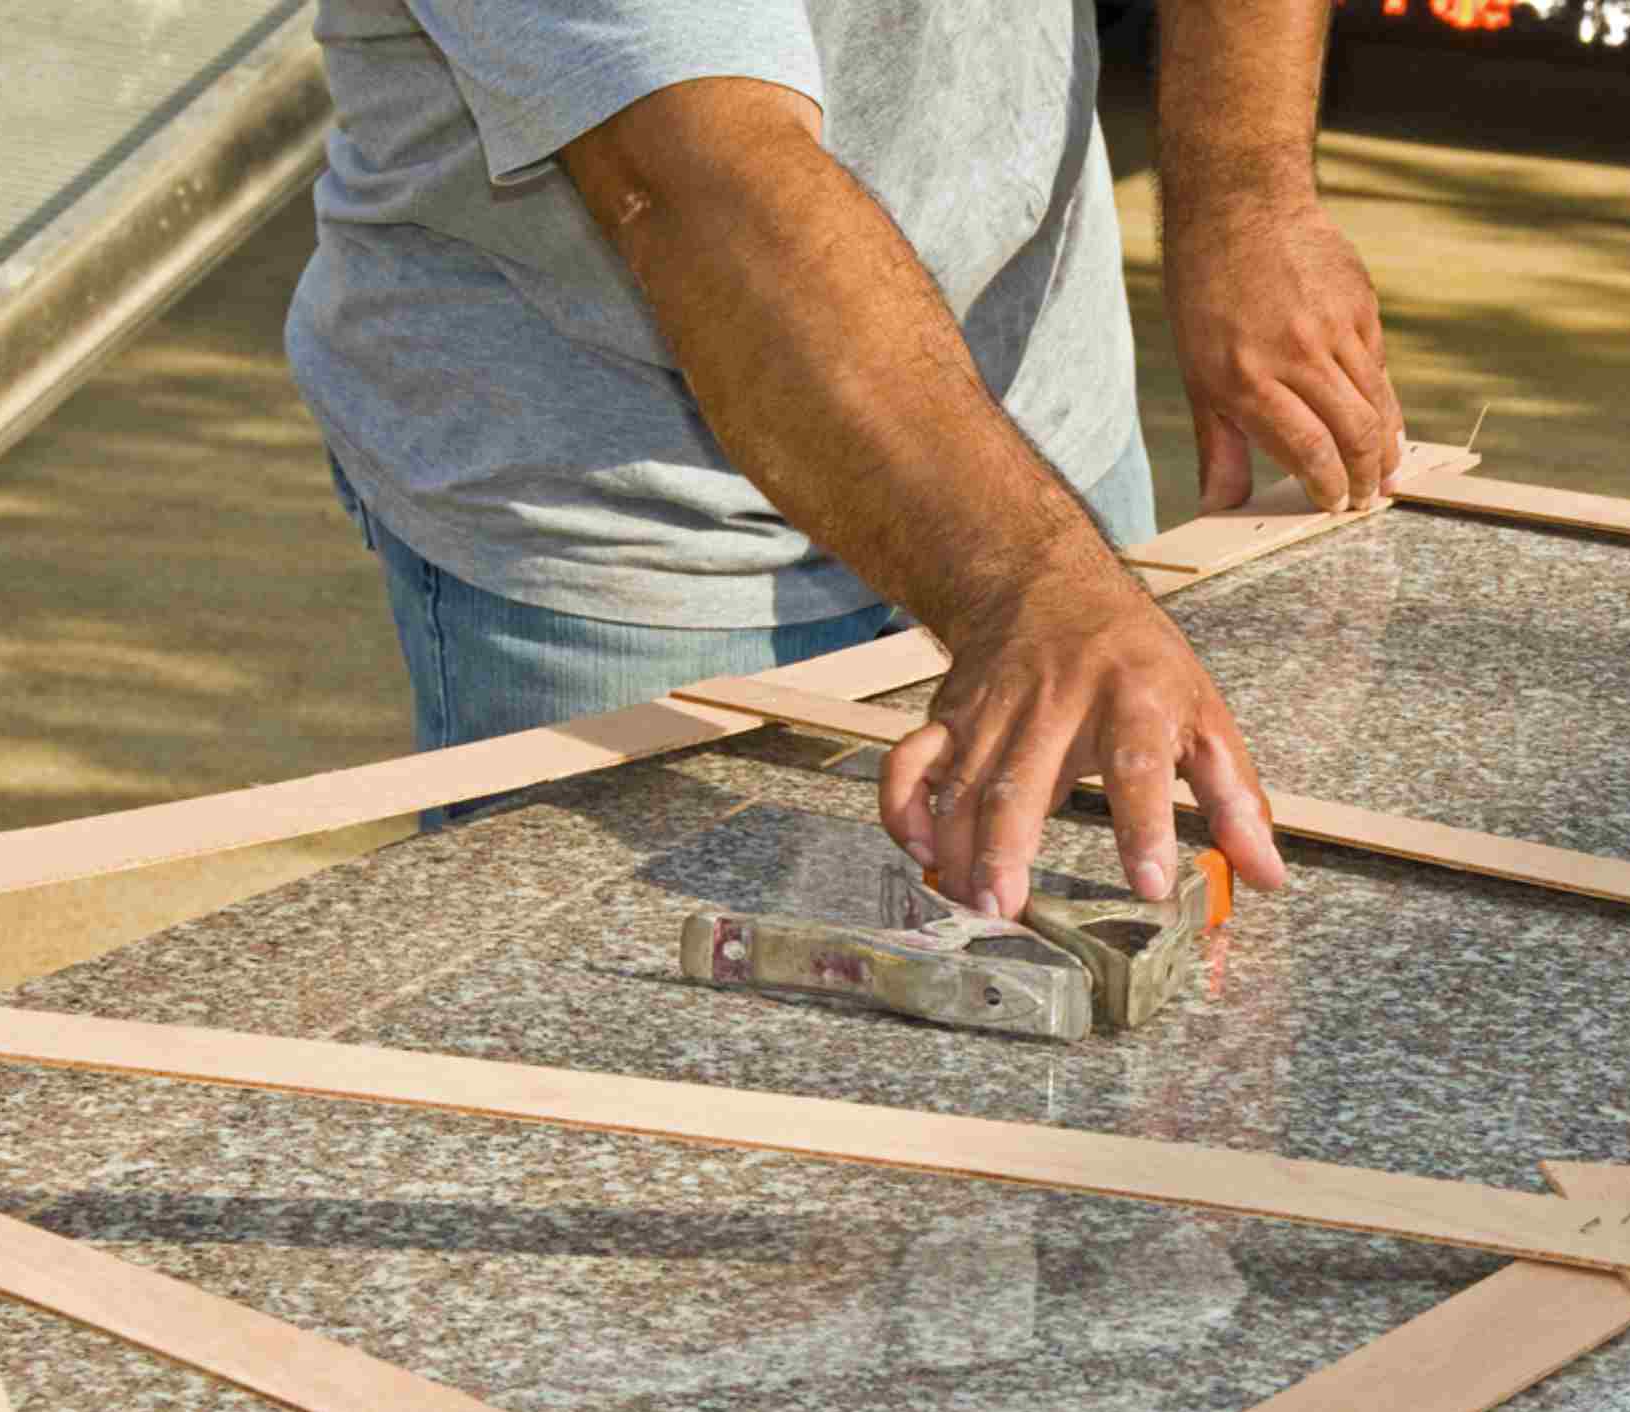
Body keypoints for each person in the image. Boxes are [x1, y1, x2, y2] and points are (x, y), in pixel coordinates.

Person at [286, 2, 1406, 921]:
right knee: (662, 1072)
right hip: (632, 503)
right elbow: (700, 179)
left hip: (1033, 403)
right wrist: (1034, 587)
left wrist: (1247, 189)